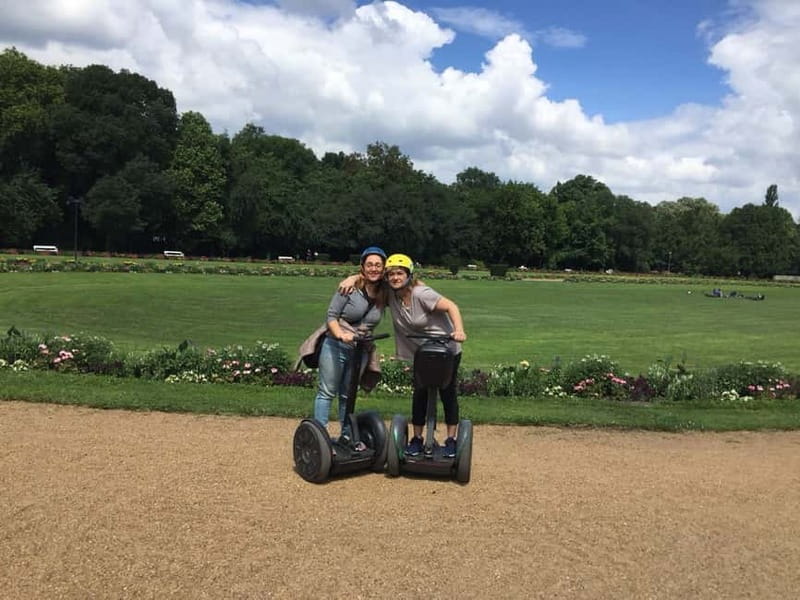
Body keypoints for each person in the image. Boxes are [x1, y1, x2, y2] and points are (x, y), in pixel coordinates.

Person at [341, 253, 467, 458]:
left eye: (400, 273)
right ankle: (417, 438)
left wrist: (459, 330)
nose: (395, 277)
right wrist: (352, 278)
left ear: (409, 275)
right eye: (391, 274)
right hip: (422, 353)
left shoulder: (421, 293)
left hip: (446, 350)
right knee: (420, 392)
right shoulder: (391, 294)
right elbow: (369, 279)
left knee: (447, 392)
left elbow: (452, 306)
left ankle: (451, 440)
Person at [312, 246, 387, 451]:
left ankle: (347, 436)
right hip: (336, 345)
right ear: (362, 267)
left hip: (361, 349)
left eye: (378, 265)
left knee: (348, 394)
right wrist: (341, 335)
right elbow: (331, 317)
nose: (373, 268)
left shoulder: (384, 292)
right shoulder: (349, 288)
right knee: (327, 391)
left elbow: (409, 285)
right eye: (369, 264)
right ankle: (321, 438)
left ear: (383, 268)